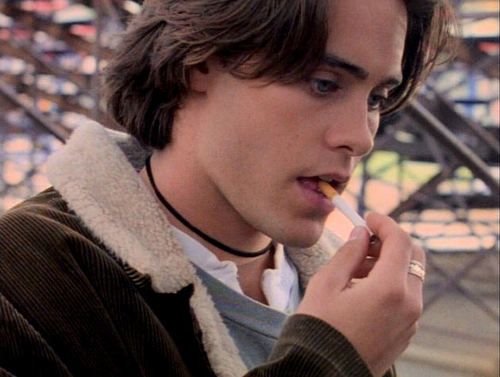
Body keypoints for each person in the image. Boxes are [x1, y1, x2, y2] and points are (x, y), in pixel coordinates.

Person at [0, 0, 455, 376]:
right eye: (324, 84)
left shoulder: (351, 296)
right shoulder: (23, 280)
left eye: (376, 99)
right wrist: (327, 361)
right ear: (198, 61)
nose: (361, 136)